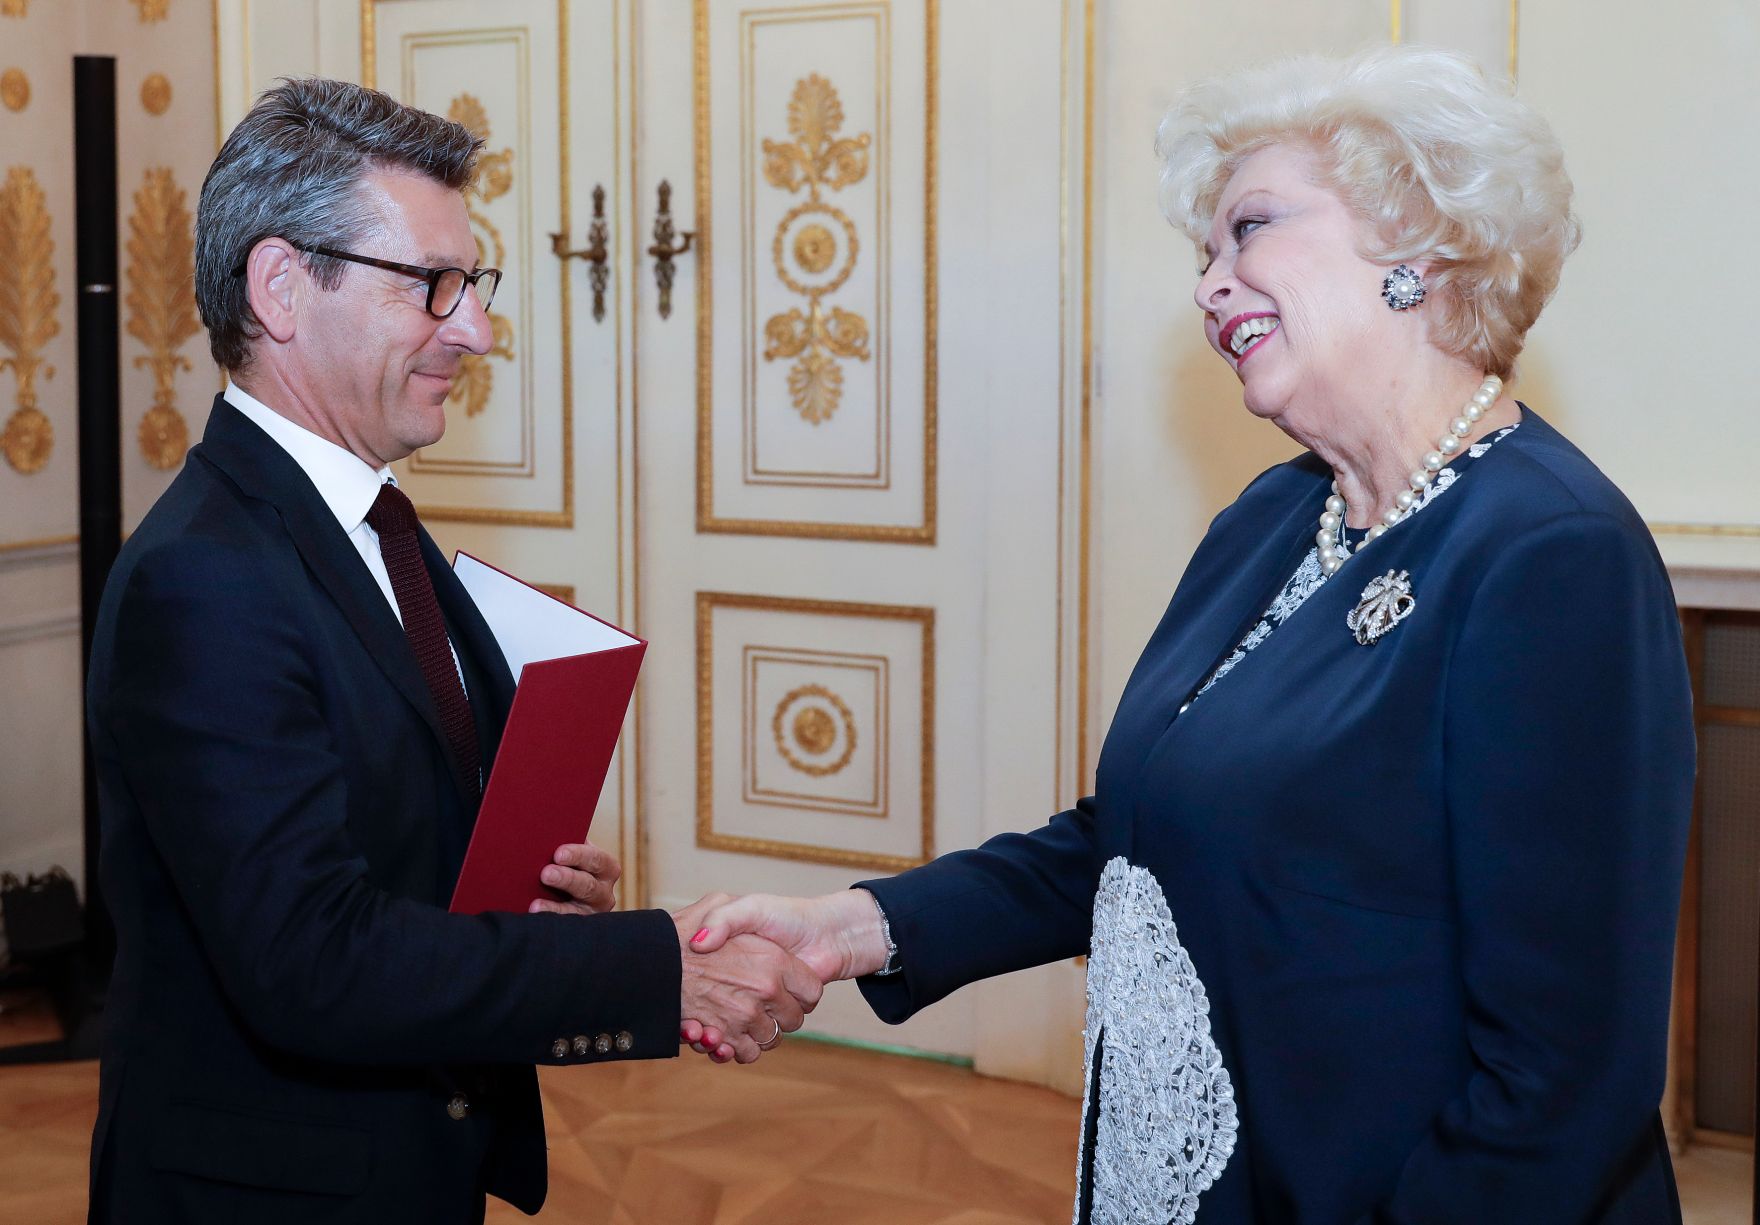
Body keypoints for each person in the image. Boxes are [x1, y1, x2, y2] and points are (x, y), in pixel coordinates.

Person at [681, 45, 1696, 1224]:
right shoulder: (1272, 515)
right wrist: (848, 926)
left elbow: (1565, 1075)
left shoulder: (1549, 553)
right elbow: (1133, 844)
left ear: (1418, 243)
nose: (1209, 286)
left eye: (1247, 230)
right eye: (1201, 254)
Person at [85, 78, 820, 1224]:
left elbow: (382, 835)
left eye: (469, 285)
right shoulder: (204, 578)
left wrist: (526, 889)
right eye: (431, 285)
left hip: (399, 1158)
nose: (473, 328)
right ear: (282, 286)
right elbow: (310, 962)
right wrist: (657, 962)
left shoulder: (371, 520)